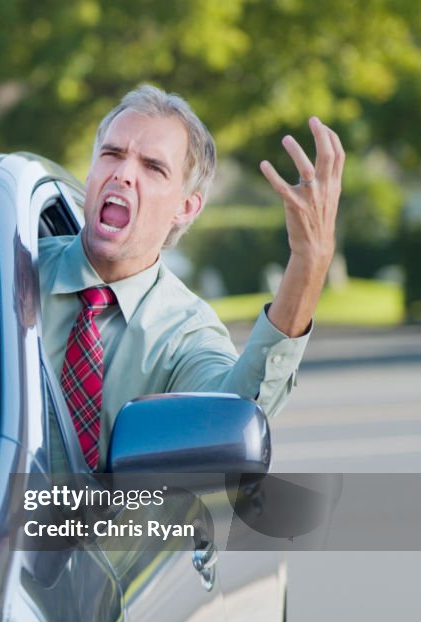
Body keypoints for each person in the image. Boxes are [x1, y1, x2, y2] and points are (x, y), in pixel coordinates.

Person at [40, 84, 344, 469]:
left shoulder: (186, 331)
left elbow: (233, 417)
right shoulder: (9, 272)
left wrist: (310, 261)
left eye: (153, 167)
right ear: (92, 171)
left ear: (185, 207)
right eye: (112, 154)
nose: (123, 173)